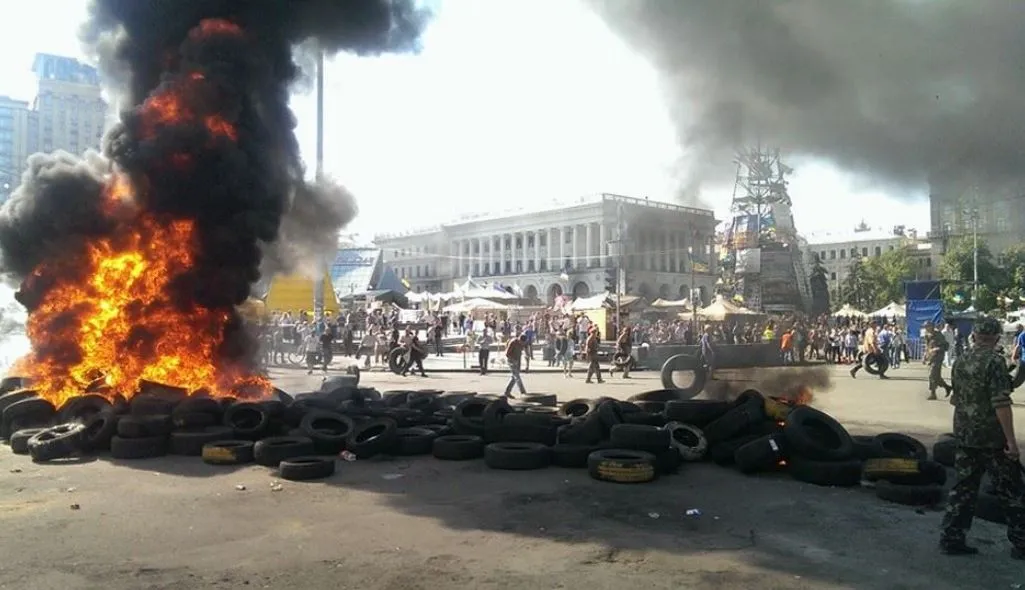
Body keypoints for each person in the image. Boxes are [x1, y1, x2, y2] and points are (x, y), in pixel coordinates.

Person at [939, 316, 1025, 560]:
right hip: (991, 438)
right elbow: (1001, 404)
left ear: (974, 336)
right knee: (1012, 491)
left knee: (963, 489)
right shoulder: (995, 363)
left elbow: (956, 399)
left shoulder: (960, 361)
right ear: (997, 337)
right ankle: (1021, 542)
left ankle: (951, 538)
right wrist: (1011, 442)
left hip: (965, 435)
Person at [924, 321, 953, 400]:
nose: (926, 328)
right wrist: (925, 356)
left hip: (938, 357)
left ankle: (933, 393)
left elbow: (945, 346)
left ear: (932, 326)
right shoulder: (927, 336)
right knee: (937, 376)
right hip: (931, 357)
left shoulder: (939, 335)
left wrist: (936, 349)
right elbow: (927, 347)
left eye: (927, 326)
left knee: (932, 375)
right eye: (925, 327)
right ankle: (947, 387)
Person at [503, 333, 527, 398]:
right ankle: (523, 392)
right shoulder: (513, 342)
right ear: (519, 339)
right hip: (512, 361)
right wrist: (513, 361)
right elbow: (507, 354)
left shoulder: (522, 343)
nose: (522, 344)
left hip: (518, 360)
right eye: (521, 342)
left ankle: (507, 392)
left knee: (514, 377)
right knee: (517, 377)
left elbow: (523, 351)